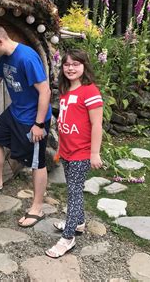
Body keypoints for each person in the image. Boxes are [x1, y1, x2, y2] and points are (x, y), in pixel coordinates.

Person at [0, 24, 52, 228]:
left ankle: (37, 207)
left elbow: (45, 91)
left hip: (33, 119)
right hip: (15, 112)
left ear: (0, 41)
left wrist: (39, 124)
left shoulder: (26, 57)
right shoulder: (4, 58)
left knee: (36, 163)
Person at [45, 49, 103, 258]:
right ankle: (78, 223)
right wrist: (60, 148)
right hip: (68, 151)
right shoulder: (66, 91)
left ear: (84, 67)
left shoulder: (90, 91)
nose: (70, 68)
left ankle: (68, 237)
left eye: (75, 64)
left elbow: (97, 124)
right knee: (73, 189)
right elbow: (64, 122)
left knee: (74, 193)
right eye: (67, 65)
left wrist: (94, 153)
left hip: (82, 152)